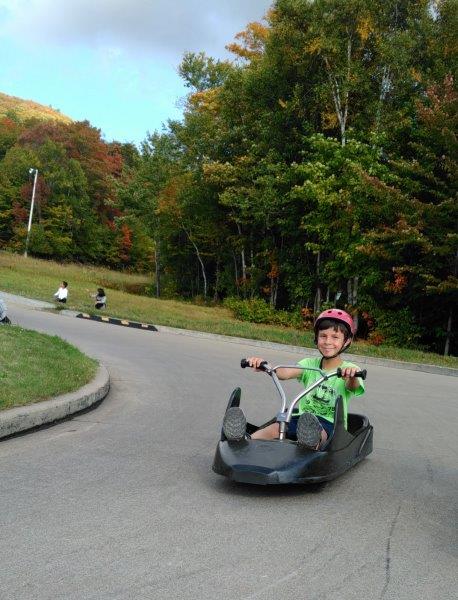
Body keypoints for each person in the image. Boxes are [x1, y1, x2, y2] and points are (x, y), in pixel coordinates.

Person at [222, 308, 365, 449]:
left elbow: (352, 386)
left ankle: (310, 443)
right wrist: (265, 366)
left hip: (329, 424)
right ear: (316, 337)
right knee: (277, 427)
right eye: (323, 336)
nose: (328, 341)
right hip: (302, 418)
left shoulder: (351, 369)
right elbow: (285, 372)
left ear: (346, 341)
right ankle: (244, 440)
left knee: (319, 433)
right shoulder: (310, 364)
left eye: (335, 337)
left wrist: (351, 376)